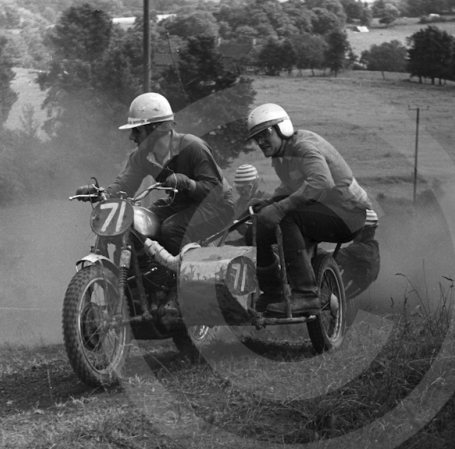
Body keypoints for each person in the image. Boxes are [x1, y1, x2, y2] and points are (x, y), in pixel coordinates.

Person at [245, 103, 373, 315]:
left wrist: (280, 207)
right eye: (256, 137)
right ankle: (273, 292)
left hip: (347, 213)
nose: (260, 141)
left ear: (282, 128)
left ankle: (306, 295)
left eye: (265, 133)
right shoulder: (281, 156)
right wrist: (270, 202)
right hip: (323, 210)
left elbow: (321, 182)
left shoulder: (303, 147)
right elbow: (291, 185)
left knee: (285, 217)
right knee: (257, 229)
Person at [76, 92, 234, 256]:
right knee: (138, 224)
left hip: (217, 206)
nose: (132, 137)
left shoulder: (193, 147)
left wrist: (188, 183)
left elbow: (214, 191)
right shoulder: (141, 156)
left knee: (172, 229)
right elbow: (124, 185)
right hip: (180, 204)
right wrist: (101, 193)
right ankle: (145, 276)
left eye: (136, 131)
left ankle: (180, 278)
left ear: (154, 130)